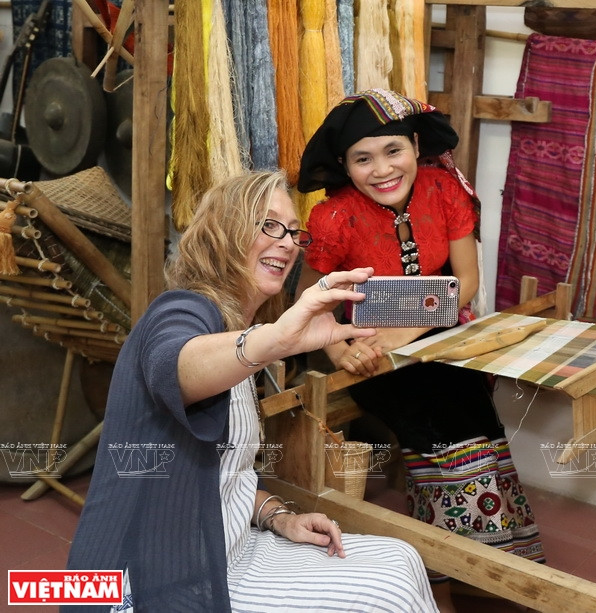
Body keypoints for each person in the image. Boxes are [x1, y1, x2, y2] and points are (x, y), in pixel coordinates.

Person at [65, 170, 438, 613]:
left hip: (231, 545)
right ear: (222, 234)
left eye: (292, 232)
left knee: (402, 558)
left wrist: (279, 516)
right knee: (386, 596)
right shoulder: (181, 309)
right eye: (267, 224)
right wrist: (277, 339)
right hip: (168, 574)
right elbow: (174, 365)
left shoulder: (238, 332)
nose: (285, 241)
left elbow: (224, 474)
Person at [296, 89, 545, 612]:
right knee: (431, 425)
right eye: (362, 159)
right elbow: (309, 302)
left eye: (393, 151)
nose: (382, 170)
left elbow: (467, 282)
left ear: (414, 145)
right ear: (344, 165)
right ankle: (443, 574)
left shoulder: (445, 190)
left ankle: (486, 556)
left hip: (439, 333)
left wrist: (408, 333)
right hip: (372, 351)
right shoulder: (333, 217)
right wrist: (344, 354)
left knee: (472, 412)